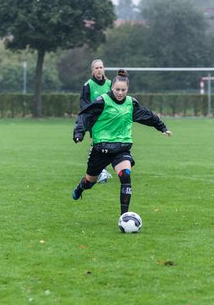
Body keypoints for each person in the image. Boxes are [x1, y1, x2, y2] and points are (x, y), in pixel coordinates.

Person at [72, 70, 172, 216]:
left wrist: (162, 127)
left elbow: (147, 115)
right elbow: (85, 116)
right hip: (101, 149)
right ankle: (81, 187)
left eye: (123, 90)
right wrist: (79, 133)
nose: (120, 92)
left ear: (127, 90)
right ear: (112, 88)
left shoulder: (131, 103)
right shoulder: (102, 101)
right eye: (117, 89)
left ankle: (124, 216)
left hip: (121, 149)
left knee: (126, 177)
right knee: (90, 181)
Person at [80, 59, 112, 183]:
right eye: (97, 68)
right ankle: (97, 170)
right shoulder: (88, 85)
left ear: (104, 69)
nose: (99, 70)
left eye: (101, 67)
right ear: (93, 70)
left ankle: (100, 169)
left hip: (110, 120)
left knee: (109, 143)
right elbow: (84, 104)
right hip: (95, 120)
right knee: (97, 143)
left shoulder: (110, 84)